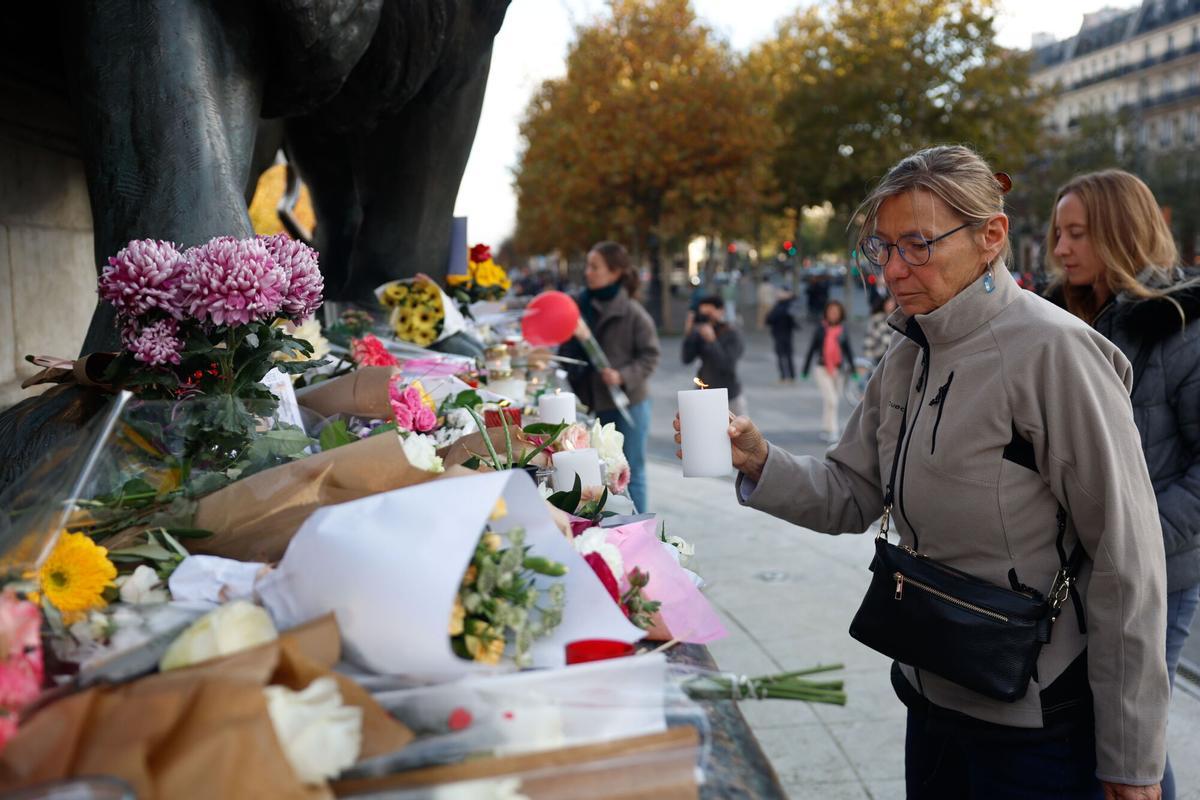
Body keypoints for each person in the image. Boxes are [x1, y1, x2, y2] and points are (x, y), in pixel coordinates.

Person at [676, 145, 1168, 799]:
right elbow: (851, 493)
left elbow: (1128, 559)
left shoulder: (1057, 352)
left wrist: (1132, 758)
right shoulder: (909, 350)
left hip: (1035, 720)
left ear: (991, 237)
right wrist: (759, 460)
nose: (893, 270)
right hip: (929, 692)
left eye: (917, 245)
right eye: (882, 248)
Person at [1045, 169, 1200, 800]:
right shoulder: (1058, 320)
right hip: (1076, 573)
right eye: (1058, 232)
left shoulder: (1182, 326)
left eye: (1077, 233)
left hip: (1158, 572)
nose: (1060, 248)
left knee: (1133, 740)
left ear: (1121, 232)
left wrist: (1133, 539)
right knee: (1091, 730)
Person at [559, 242, 660, 513]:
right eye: (588, 266)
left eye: (595, 267)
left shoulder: (633, 313)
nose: (588, 272)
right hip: (595, 402)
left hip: (630, 406)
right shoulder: (580, 307)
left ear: (614, 273)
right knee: (604, 471)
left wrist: (622, 375)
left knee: (631, 471)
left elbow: (651, 356)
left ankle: (640, 530)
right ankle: (614, 525)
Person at [681, 295, 747, 417]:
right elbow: (686, 358)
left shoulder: (732, 333)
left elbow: (727, 364)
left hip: (729, 396)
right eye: (703, 314)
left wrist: (712, 341)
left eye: (709, 313)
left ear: (721, 311)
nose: (707, 318)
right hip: (704, 394)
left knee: (736, 433)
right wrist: (689, 334)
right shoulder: (699, 332)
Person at [801, 299, 855, 443]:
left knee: (831, 402)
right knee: (832, 400)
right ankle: (834, 431)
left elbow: (848, 351)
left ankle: (825, 428)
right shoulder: (820, 329)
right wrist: (805, 370)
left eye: (836, 312)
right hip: (822, 368)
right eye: (831, 311)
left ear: (840, 314)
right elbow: (812, 349)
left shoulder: (842, 330)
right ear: (826, 313)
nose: (833, 314)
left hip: (838, 370)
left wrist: (854, 371)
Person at [766, 289, 799, 383]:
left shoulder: (783, 306)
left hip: (782, 333)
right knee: (786, 356)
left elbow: (770, 318)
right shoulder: (784, 305)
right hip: (783, 333)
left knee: (783, 356)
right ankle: (789, 376)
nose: (778, 294)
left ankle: (786, 376)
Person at [862, 292, 898, 365]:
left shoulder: (899, 319)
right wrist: (868, 356)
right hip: (879, 355)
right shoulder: (876, 319)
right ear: (884, 303)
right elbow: (870, 336)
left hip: (894, 355)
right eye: (888, 303)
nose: (889, 305)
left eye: (892, 302)